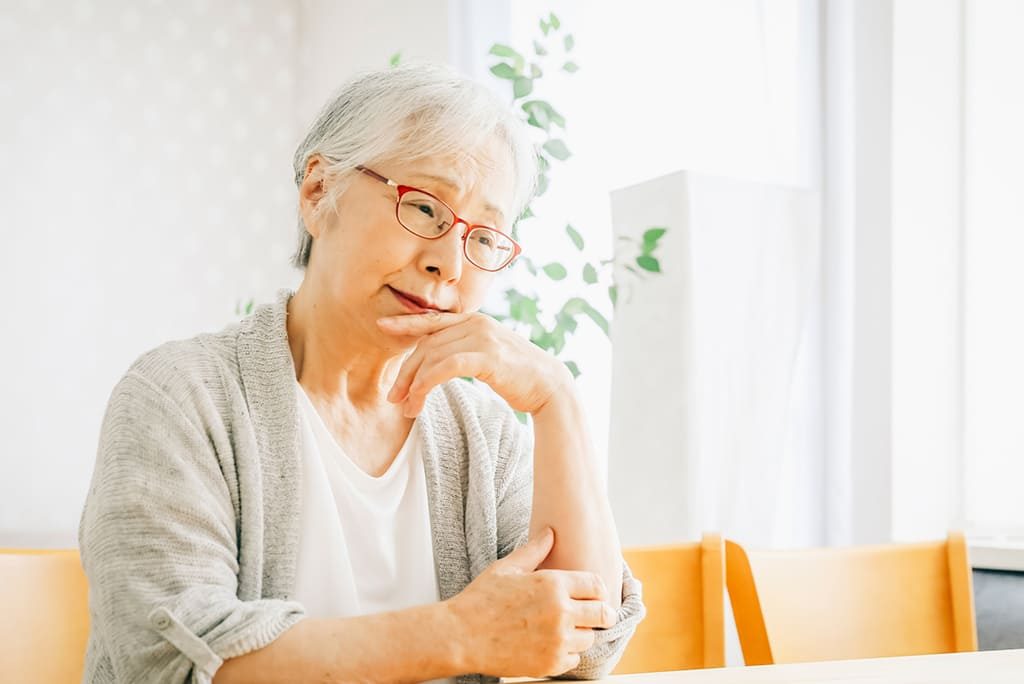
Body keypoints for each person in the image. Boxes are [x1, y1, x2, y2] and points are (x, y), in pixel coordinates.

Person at [79, 61, 644, 684]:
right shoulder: (181, 397)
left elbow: (586, 651)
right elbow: (175, 664)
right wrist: (457, 635)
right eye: (426, 208)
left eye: (483, 237)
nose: (448, 263)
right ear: (319, 192)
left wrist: (556, 398)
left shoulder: (481, 431)